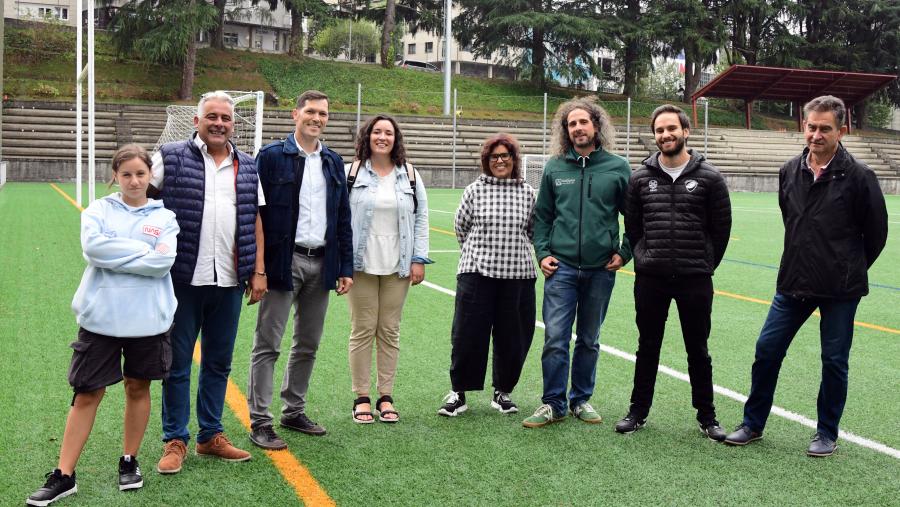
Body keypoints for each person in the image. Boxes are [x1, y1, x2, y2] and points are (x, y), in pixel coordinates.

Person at [724, 95, 888, 457]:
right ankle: (752, 424)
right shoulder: (789, 170)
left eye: (824, 128)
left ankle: (826, 432)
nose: (816, 135)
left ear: (841, 131)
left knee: (833, 361)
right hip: (794, 282)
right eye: (811, 127)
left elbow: (876, 235)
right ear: (804, 126)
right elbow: (792, 221)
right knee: (767, 350)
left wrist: (847, 267)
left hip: (840, 288)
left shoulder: (861, 177)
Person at [27, 145, 179, 506]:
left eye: (140, 173)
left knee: (137, 388)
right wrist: (144, 251)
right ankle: (64, 475)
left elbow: (164, 262)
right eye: (126, 174)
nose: (134, 180)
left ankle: (129, 461)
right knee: (87, 393)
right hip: (101, 319)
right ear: (115, 176)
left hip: (148, 320)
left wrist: (120, 252)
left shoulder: (166, 216)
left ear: (149, 176)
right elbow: (94, 250)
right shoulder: (98, 210)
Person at [153, 91, 267, 474]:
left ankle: (210, 436)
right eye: (212, 116)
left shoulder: (248, 166)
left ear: (234, 124)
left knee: (218, 363)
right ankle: (175, 439)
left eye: (226, 117)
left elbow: (254, 220)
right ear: (196, 121)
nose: (219, 123)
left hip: (230, 280)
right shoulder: (169, 157)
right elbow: (141, 201)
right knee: (178, 363)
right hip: (182, 280)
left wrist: (259, 270)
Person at [616, 104, 732, 440]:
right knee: (647, 345)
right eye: (660, 130)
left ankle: (707, 417)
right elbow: (633, 227)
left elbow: (721, 230)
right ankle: (637, 412)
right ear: (654, 135)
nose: (665, 135)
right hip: (651, 278)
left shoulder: (710, 178)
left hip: (695, 278)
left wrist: (704, 262)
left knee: (698, 348)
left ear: (686, 131)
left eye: (671, 129)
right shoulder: (639, 179)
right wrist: (645, 256)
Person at [246, 90, 353, 449]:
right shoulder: (272, 156)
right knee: (268, 344)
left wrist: (344, 265)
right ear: (296, 114)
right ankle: (261, 420)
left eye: (323, 113)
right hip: (282, 261)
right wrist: (257, 266)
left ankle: (294, 410)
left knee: (307, 344)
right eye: (311, 111)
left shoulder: (334, 162)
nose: (317, 118)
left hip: (321, 262)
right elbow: (254, 213)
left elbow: (342, 217)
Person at [523, 96, 632, 428]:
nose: (578, 128)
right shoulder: (555, 167)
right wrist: (543, 253)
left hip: (601, 269)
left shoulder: (617, 167)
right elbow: (541, 218)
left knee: (589, 338)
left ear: (596, 126)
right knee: (555, 337)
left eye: (583, 122)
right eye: (571, 124)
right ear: (565, 130)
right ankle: (553, 403)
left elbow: (636, 218)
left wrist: (624, 251)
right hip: (563, 268)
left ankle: (581, 399)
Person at [438, 133, 537, 417]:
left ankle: (502, 392)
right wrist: (479, 254)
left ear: (514, 160)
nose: (500, 160)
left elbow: (532, 232)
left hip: (518, 275)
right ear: (486, 160)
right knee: (467, 335)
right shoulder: (474, 190)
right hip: (476, 274)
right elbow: (461, 228)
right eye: (494, 156)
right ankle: (459, 393)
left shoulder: (528, 192)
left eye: (505, 155)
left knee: (513, 336)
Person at [345, 114, 431, 424]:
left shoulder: (409, 174)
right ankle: (362, 397)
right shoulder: (351, 173)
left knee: (390, 330)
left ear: (396, 139)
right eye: (377, 132)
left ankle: (385, 395)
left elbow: (421, 218)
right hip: (361, 265)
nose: (383, 137)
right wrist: (342, 262)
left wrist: (418, 258)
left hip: (398, 265)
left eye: (389, 133)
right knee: (363, 329)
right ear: (367, 136)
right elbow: (341, 221)